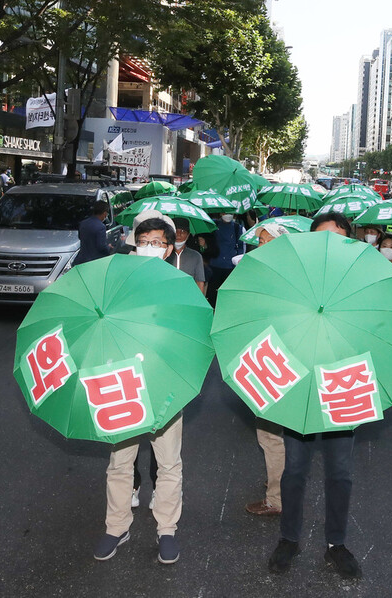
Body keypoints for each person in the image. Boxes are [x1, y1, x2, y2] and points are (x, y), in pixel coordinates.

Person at [268, 211, 362, 579]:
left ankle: (336, 544)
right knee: (294, 470)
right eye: (323, 237)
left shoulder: (358, 281)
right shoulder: (294, 280)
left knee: (340, 473)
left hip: (344, 385)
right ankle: (288, 538)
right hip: (300, 385)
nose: (331, 245)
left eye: (339, 237)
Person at [95, 217, 184, 566]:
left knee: (169, 463)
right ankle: (116, 526)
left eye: (158, 241)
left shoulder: (180, 284)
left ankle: (167, 530)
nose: (150, 246)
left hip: (166, 386)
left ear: (169, 248)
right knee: (119, 462)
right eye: (144, 240)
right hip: (124, 384)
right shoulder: (118, 282)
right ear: (135, 243)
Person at [242, 222, 289, 517]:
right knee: (274, 434)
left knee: (271, 434)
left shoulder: (278, 279)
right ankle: (279, 482)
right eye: (259, 241)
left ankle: (277, 497)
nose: (261, 247)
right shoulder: (269, 274)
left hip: (274, 364)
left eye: (267, 241)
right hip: (267, 361)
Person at [205, 213, 245, 307]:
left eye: (230, 212)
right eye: (225, 212)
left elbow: (241, 247)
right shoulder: (213, 225)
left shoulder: (238, 228)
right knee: (212, 296)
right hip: (214, 266)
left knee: (227, 296)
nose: (227, 215)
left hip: (230, 267)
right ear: (220, 213)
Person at [168, 218, 206, 294]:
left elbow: (200, 282)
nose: (178, 234)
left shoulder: (196, 256)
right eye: (175, 231)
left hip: (188, 296)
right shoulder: (164, 254)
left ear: (188, 235)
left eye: (183, 231)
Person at [76, 200, 113, 265]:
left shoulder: (83, 223)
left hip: (82, 259)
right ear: (104, 213)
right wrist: (109, 247)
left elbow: (80, 237)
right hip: (94, 261)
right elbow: (101, 246)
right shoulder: (101, 227)